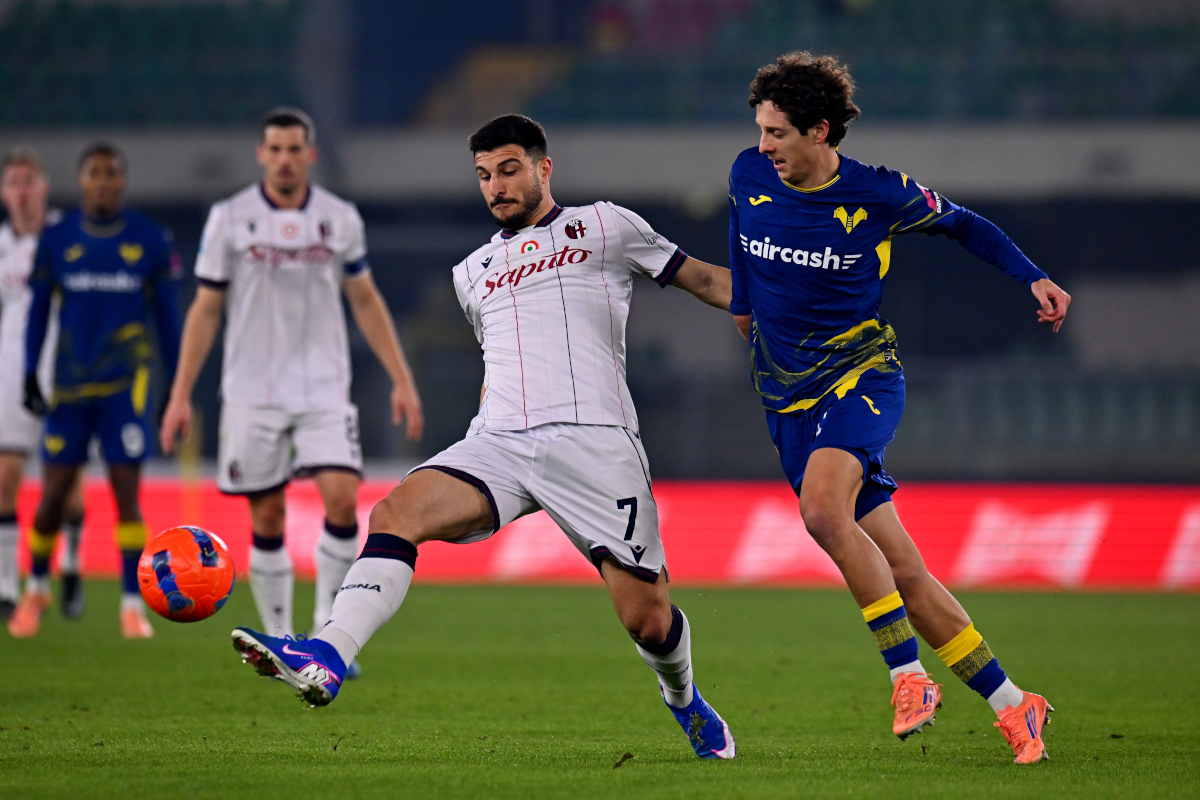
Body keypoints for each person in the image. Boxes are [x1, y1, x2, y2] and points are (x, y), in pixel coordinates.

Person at [228, 114, 739, 760]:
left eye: (508, 169)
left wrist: (782, 303)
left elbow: (706, 280)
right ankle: (328, 654)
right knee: (394, 514)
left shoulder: (605, 225)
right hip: (499, 440)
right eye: (483, 175)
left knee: (648, 618)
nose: (495, 185)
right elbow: (501, 358)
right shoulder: (471, 271)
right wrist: (480, 435)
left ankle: (684, 699)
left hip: (594, 441)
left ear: (543, 168)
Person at [728, 52, 1071, 764]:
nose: (763, 146)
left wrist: (1032, 277)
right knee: (905, 573)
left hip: (861, 376)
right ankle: (1015, 705)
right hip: (785, 397)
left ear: (820, 131)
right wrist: (740, 303)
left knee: (823, 512)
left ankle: (907, 675)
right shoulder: (748, 175)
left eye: (777, 133)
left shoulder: (879, 193)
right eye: (760, 130)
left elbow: (966, 225)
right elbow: (739, 239)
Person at [160, 108, 424, 679]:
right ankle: (280, 637)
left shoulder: (339, 218)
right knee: (268, 514)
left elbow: (365, 298)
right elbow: (205, 307)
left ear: (311, 154)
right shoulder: (230, 218)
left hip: (323, 386)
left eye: (294, 149)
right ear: (261, 154)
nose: (284, 158)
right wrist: (180, 394)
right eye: (275, 149)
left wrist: (401, 378)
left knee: (341, 498)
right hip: (251, 389)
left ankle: (328, 635)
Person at [11, 143, 182, 639]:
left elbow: (168, 320)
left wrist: (177, 386)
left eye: (111, 174)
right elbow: (38, 312)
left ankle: (131, 605)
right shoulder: (57, 239)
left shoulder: (149, 240)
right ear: (81, 180)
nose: (103, 182)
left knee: (126, 493)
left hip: (126, 388)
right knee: (53, 495)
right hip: (69, 387)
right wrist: (30, 374)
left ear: (122, 181)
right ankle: (36, 588)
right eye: (94, 173)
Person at [0, 149, 86, 623]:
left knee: (67, 492)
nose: (22, 191)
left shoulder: (68, 238)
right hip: (12, 374)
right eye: (14, 182)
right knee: (4, 482)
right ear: (4, 192)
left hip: (65, 374)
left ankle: (70, 566)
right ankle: (7, 589)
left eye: (29, 181)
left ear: (44, 187)